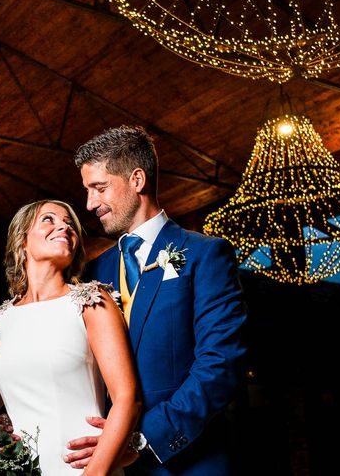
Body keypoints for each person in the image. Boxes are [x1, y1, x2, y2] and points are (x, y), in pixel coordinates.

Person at [66, 126, 247, 475]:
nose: (89, 204)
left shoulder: (205, 254)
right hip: (104, 463)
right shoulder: (91, 273)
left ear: (137, 180)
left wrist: (144, 438)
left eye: (99, 188)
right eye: (87, 191)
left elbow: (221, 363)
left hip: (189, 461)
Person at [0, 200, 141, 476]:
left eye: (70, 223)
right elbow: (14, 404)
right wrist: (0, 427)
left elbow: (127, 397)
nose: (64, 226)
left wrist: (96, 472)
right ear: (22, 239)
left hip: (85, 468)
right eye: (49, 219)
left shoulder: (92, 301)